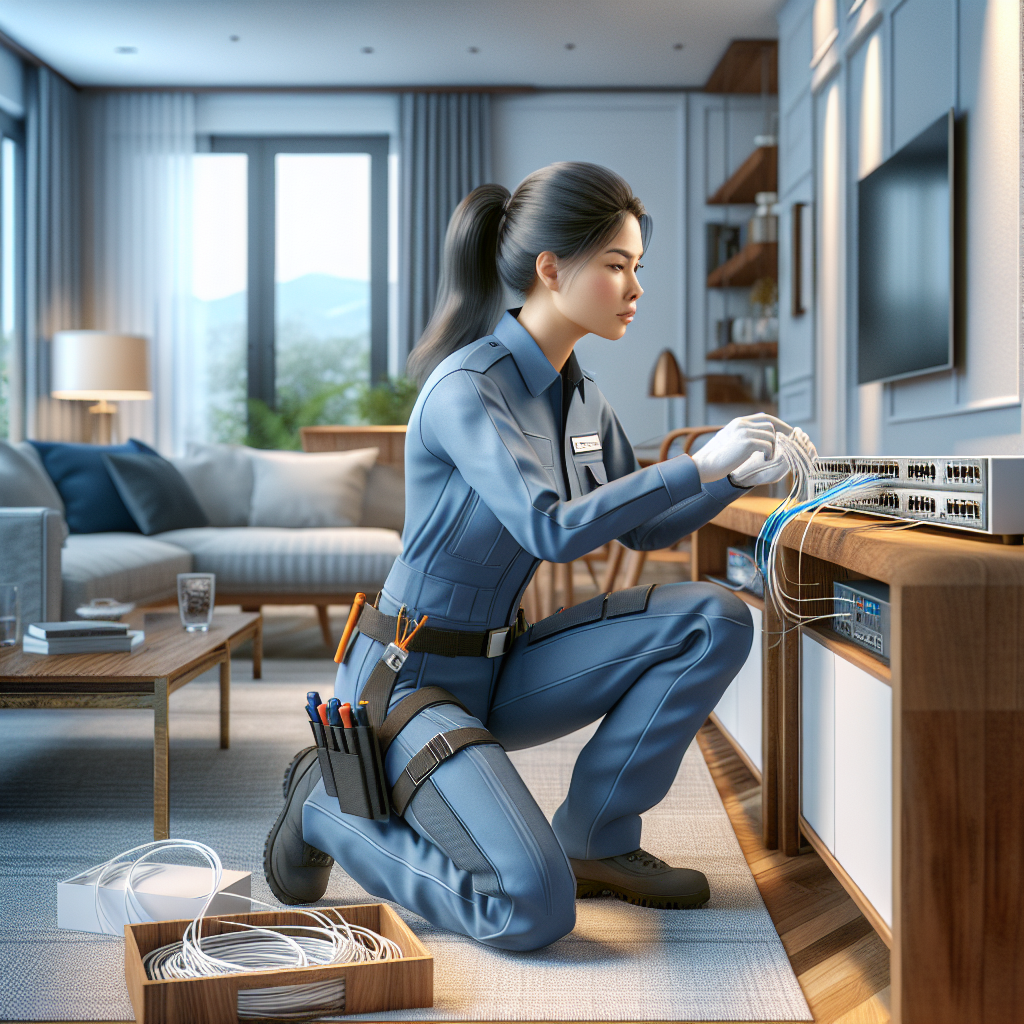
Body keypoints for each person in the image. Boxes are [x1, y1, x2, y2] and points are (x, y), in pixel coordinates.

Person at [264, 162, 814, 952]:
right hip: (409, 686)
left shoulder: (581, 396)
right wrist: (694, 462)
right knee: (532, 909)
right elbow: (550, 529)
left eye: (638, 267)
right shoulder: (468, 388)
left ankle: (596, 836)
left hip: (502, 666)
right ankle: (322, 803)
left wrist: (730, 479)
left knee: (712, 619)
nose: (635, 286)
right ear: (551, 270)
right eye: (616, 266)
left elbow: (645, 529)